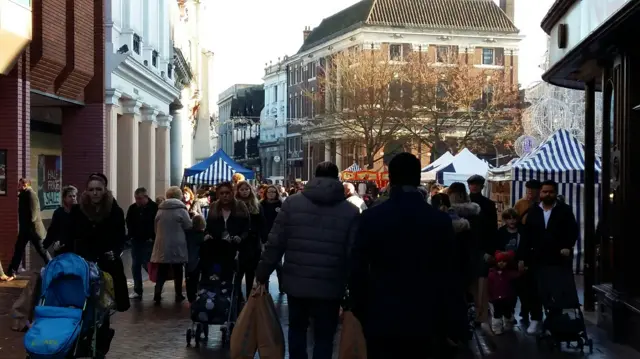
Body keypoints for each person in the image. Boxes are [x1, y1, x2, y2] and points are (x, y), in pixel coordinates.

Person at [349, 153, 467, 359]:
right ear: (417, 177)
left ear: (391, 178)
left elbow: (357, 267)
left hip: (382, 312)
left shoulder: (372, 217)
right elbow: (450, 271)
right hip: (426, 314)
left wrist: (360, 307)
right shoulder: (439, 220)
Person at [256, 162, 359, 359]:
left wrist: (262, 273)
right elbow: (353, 253)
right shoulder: (350, 211)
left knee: (297, 329)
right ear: (337, 178)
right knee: (324, 335)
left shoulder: (292, 204)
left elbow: (275, 242)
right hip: (331, 283)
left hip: (297, 281)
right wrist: (353, 287)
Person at [61, 173, 130, 357]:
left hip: (106, 263)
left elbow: (120, 238)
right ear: (86, 190)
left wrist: (114, 252)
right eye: (91, 189)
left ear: (105, 190)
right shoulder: (78, 210)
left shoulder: (115, 211)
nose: (95, 193)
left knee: (103, 308)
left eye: (98, 189)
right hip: (83, 263)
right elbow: (69, 234)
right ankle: (80, 340)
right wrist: (63, 251)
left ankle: (101, 343)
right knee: (80, 303)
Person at [521, 179, 579, 335]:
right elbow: (526, 235)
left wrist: (567, 246)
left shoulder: (564, 210)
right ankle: (536, 319)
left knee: (555, 291)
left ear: (555, 193)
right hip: (536, 258)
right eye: (544, 191)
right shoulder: (534, 211)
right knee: (534, 289)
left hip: (556, 258)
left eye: (550, 192)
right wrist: (523, 258)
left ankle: (554, 321)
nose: (547, 194)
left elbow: (573, 230)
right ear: (540, 193)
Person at [203, 182, 250, 290]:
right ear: (218, 194)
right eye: (222, 193)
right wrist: (207, 235)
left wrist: (240, 237)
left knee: (233, 277)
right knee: (217, 274)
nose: (225, 195)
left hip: (236, 248)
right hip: (217, 248)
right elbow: (208, 227)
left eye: (227, 193)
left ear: (232, 193)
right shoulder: (214, 207)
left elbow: (247, 227)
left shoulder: (240, 206)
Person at [151, 186, 193, 304]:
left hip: (162, 243)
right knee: (178, 269)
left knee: (162, 270)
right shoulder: (181, 209)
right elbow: (188, 226)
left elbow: (155, 227)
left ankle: (157, 292)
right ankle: (178, 293)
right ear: (179, 195)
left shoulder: (160, 209)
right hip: (177, 243)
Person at [6, 178, 50, 280]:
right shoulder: (23, 195)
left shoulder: (31, 195)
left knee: (42, 250)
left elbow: (33, 215)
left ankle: (54, 268)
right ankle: (11, 272)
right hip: (26, 230)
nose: (17, 186)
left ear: (25, 185)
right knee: (19, 250)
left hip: (33, 230)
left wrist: (27, 226)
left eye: (19, 184)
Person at [496, 209, 532, 326]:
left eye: (513, 218)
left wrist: (523, 261)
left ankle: (524, 312)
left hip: (519, 266)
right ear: (505, 220)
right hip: (506, 265)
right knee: (507, 292)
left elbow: (526, 248)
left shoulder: (523, 232)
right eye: (509, 218)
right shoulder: (501, 232)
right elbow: (498, 248)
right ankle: (508, 313)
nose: (511, 221)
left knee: (523, 291)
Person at [235, 181, 266, 300]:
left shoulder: (257, 205)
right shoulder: (235, 205)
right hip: (239, 242)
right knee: (238, 273)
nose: (244, 192)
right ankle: (238, 297)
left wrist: (263, 240)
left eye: (246, 189)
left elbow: (262, 223)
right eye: (242, 189)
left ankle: (248, 296)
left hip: (253, 243)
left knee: (250, 272)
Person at [125, 187, 158, 300]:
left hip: (149, 241)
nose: (137, 201)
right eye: (136, 198)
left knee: (148, 264)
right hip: (136, 241)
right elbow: (128, 222)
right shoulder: (133, 208)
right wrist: (131, 236)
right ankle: (138, 290)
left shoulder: (154, 208)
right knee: (135, 265)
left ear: (146, 197)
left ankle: (158, 284)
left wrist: (153, 237)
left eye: (139, 198)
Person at [487, 250, 519, 335]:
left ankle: (508, 322)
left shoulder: (508, 273)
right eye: (500, 261)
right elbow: (489, 286)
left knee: (507, 312)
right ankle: (497, 328)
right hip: (496, 298)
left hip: (507, 297)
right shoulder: (492, 274)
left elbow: (516, 274)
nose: (502, 263)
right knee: (497, 314)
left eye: (504, 261)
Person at [260, 184, 284, 293]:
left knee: (278, 263)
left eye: (273, 192)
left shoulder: (281, 204)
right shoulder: (261, 205)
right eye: (269, 192)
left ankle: (282, 286)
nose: (271, 194)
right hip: (265, 236)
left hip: (278, 237)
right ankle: (265, 286)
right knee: (266, 262)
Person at [42, 185, 78, 254]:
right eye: (70, 196)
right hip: (62, 248)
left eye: (74, 196)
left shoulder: (79, 212)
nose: (73, 198)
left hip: (76, 249)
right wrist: (46, 245)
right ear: (64, 198)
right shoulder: (59, 213)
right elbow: (52, 230)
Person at [185, 214, 207, 303]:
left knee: (190, 280)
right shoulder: (202, 235)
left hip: (188, 259)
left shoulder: (187, 233)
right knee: (198, 278)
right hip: (198, 260)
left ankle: (191, 297)